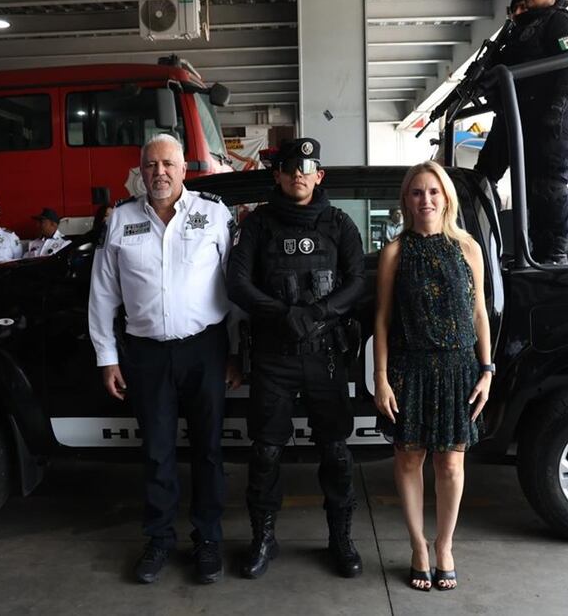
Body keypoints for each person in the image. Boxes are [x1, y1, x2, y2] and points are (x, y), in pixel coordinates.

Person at [88, 133, 241, 585]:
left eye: (168, 164)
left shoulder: (213, 214)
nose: (160, 172)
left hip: (206, 350)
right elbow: (102, 294)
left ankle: (208, 540)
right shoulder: (120, 220)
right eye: (151, 165)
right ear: (141, 171)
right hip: (146, 354)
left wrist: (237, 352)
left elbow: (235, 289)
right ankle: (158, 540)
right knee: (157, 452)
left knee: (208, 450)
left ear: (183, 169)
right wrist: (107, 357)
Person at [226, 137, 366, 580]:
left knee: (336, 451)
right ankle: (263, 538)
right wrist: (282, 314)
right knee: (266, 452)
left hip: (325, 355)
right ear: (279, 175)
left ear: (318, 175)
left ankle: (340, 539)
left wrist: (319, 313)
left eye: (306, 169)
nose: (298, 175)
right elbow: (237, 283)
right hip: (275, 355)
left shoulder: (340, 224)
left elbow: (357, 281)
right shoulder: (257, 225)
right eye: (290, 169)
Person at [373, 161, 492, 592]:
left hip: (460, 369)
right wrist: (381, 377)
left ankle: (444, 546)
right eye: (417, 192)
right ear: (406, 200)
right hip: (410, 368)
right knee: (410, 459)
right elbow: (382, 318)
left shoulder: (468, 248)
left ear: (446, 198)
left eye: (433, 191)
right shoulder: (395, 252)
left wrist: (487, 370)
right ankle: (417, 547)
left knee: (451, 462)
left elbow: (479, 313)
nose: (425, 199)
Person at [497, 0, 568, 264]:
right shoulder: (524, 28)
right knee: (528, 185)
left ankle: (555, 252)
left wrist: (556, 109)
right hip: (528, 114)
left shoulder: (560, 21)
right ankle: (535, 251)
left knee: (549, 182)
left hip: (555, 114)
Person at [473, 0, 527, 190]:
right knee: (483, 177)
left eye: (523, 7)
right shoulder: (510, 41)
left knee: (535, 182)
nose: (518, 13)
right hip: (507, 116)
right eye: (515, 9)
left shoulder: (549, 28)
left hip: (533, 117)